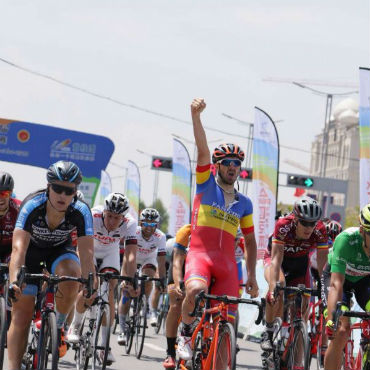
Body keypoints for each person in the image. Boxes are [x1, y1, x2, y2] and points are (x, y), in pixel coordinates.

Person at [176, 98, 259, 361]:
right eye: (228, 162)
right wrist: (195, 116)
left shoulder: (244, 203)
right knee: (196, 290)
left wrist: (253, 277)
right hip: (200, 256)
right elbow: (202, 151)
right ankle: (187, 333)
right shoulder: (205, 185)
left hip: (226, 265)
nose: (233, 166)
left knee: (228, 323)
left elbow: (251, 242)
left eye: (237, 163)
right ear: (218, 166)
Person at [7, 160, 96, 370]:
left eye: (69, 191)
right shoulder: (32, 205)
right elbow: (18, 249)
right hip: (31, 252)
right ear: (48, 187)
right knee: (21, 314)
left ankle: (59, 326)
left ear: (75, 191)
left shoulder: (81, 211)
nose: (62, 195)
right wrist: (14, 282)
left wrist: (90, 281)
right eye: (57, 188)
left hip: (59, 250)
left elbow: (86, 252)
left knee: (71, 275)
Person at [66, 192, 137, 363]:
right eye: (109, 216)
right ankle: (75, 326)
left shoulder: (130, 223)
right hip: (90, 249)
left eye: (117, 218)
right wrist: (86, 274)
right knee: (89, 287)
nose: (112, 222)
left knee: (110, 291)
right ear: (104, 212)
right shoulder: (93, 215)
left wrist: (130, 279)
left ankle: (104, 346)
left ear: (123, 217)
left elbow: (131, 255)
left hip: (110, 253)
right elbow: (83, 248)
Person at [260, 196, 329, 352]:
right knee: (279, 286)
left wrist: (324, 290)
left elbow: (322, 264)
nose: (308, 228)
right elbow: (276, 259)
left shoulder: (320, 230)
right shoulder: (283, 225)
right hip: (277, 261)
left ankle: (294, 347)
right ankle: (269, 332)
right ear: (295, 219)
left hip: (299, 264)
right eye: (304, 222)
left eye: (312, 223)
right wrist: (272, 288)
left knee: (304, 301)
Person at [323, 205, 370, 370]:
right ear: (362, 230)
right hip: (338, 280)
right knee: (341, 331)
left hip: (364, 282)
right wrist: (331, 319)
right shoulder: (346, 240)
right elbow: (336, 284)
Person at [117, 207, 166, 345]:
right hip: (132, 258)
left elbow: (161, 262)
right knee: (126, 292)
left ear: (156, 225)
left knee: (149, 277)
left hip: (148, 260)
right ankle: (121, 328)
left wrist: (162, 279)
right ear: (140, 223)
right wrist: (125, 276)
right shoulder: (135, 232)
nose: (149, 227)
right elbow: (127, 257)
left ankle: (144, 301)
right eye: (145, 223)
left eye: (152, 224)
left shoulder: (160, 237)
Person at [163, 223, 191, 369]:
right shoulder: (185, 232)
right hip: (181, 268)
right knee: (175, 304)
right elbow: (177, 264)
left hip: (202, 270)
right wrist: (179, 284)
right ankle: (170, 353)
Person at [0, 172, 19, 264]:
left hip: (10, 249)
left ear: (11, 193)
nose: (0, 198)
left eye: (4, 194)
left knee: (15, 263)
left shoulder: (20, 208)